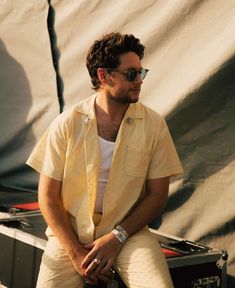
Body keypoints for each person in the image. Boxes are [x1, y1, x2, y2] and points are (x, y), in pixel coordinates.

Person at [27, 32, 183, 288]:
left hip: (129, 233)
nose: (139, 81)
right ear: (104, 76)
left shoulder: (154, 125)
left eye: (142, 73)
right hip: (70, 233)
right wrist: (76, 253)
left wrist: (117, 237)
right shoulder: (67, 124)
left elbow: (157, 195)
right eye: (131, 74)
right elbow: (47, 197)